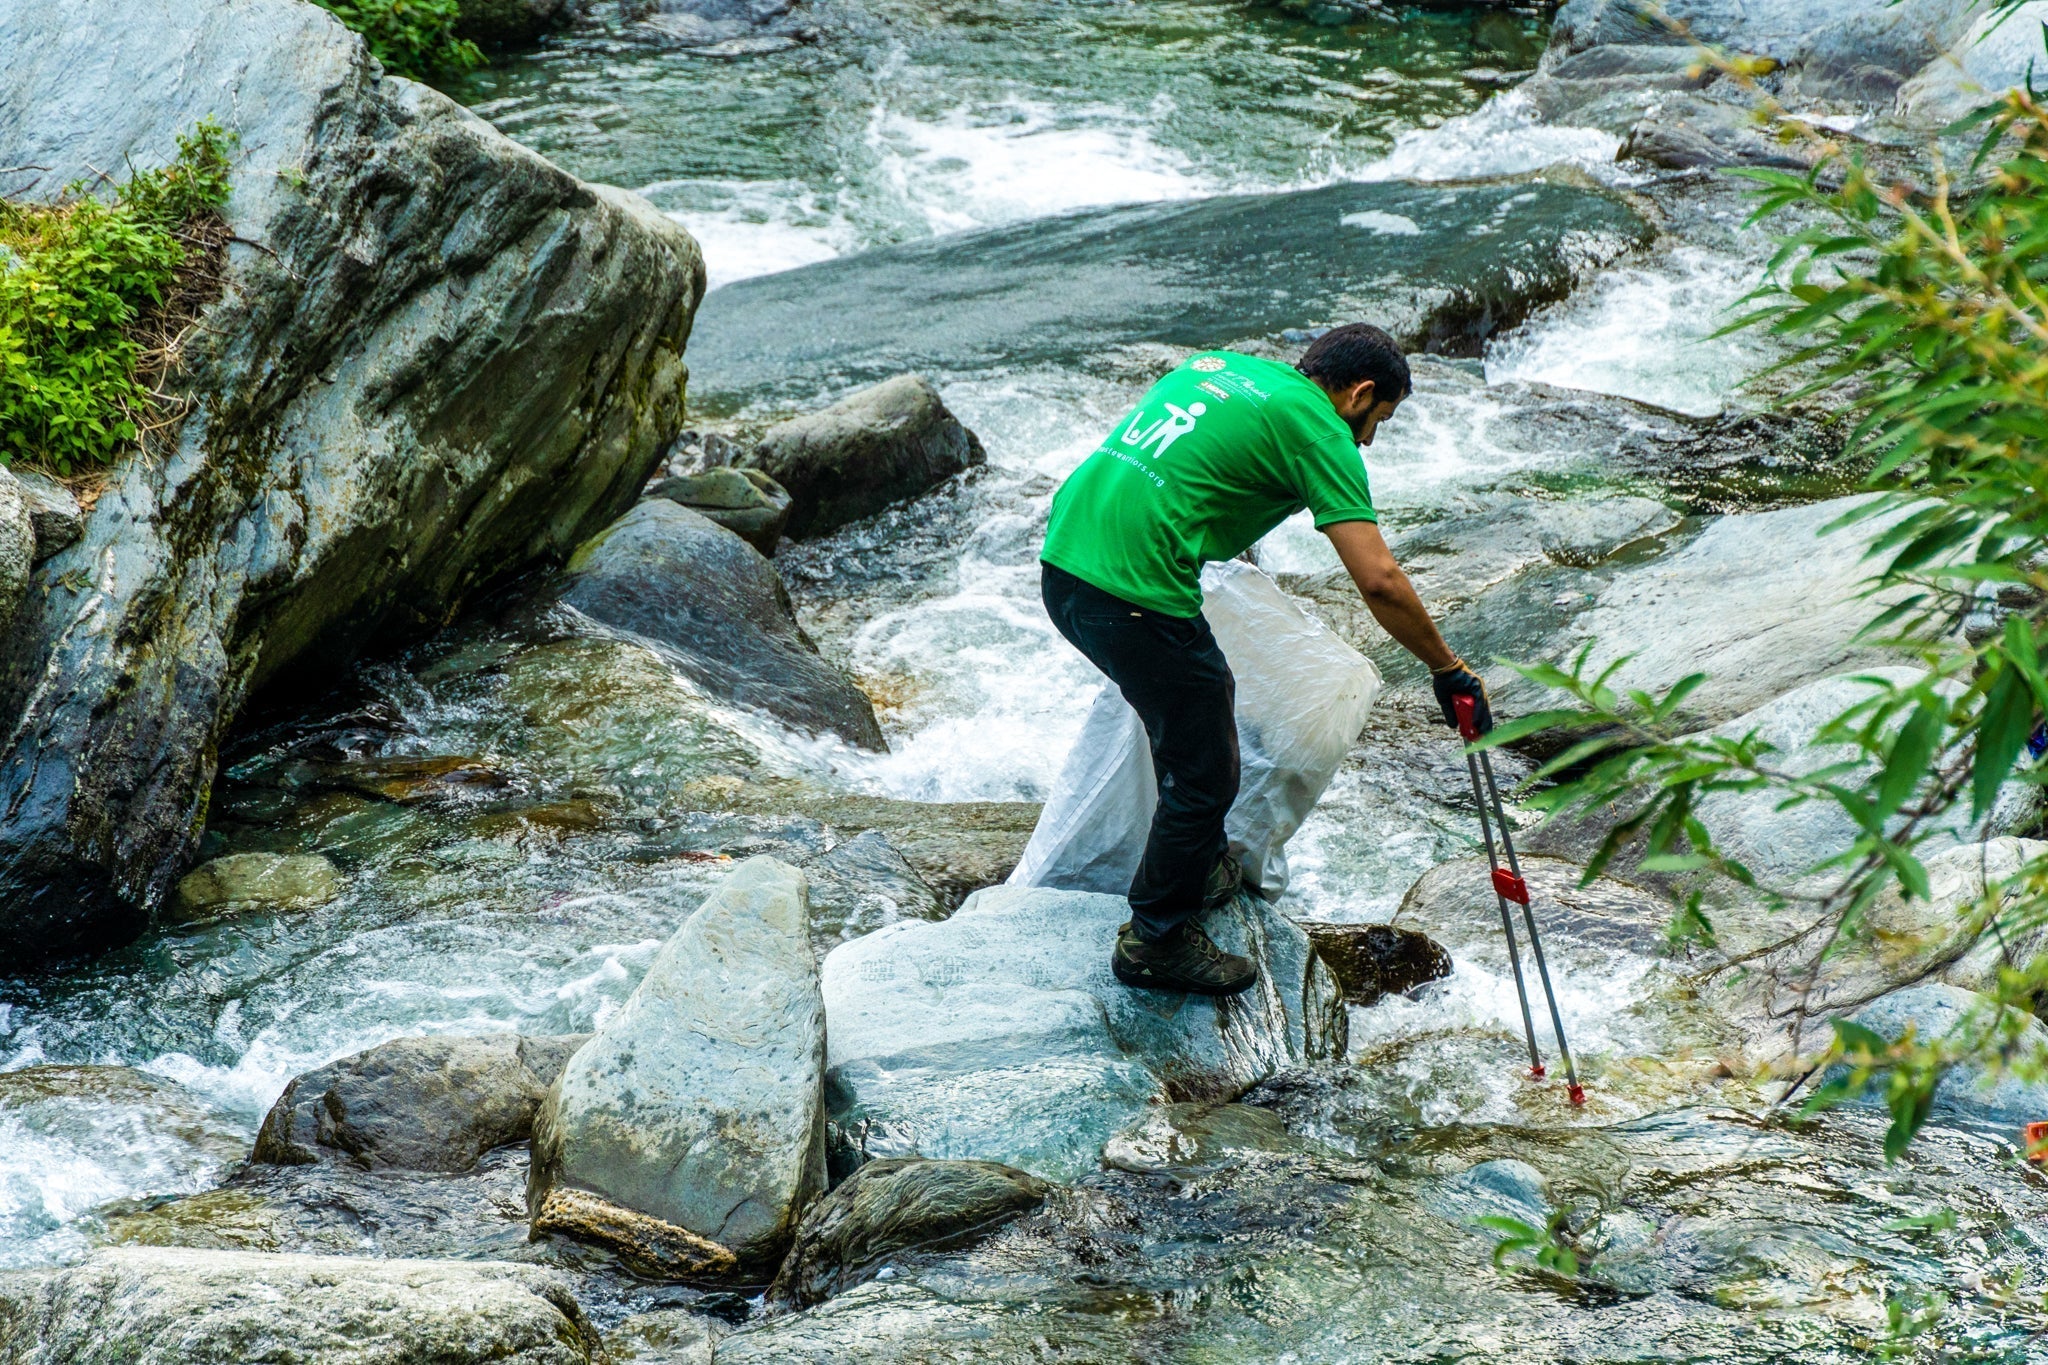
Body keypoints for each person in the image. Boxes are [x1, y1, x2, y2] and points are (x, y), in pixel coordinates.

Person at [1039, 323, 1493, 996]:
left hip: (1065, 563)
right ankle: (1155, 938)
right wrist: (1448, 668)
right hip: (1129, 591)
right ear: (1359, 393)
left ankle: (1196, 867)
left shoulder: (1218, 367)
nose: (1368, 439)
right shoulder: (1320, 429)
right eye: (1378, 421)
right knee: (1207, 770)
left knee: (1200, 702)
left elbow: (1196, 472)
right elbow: (1380, 580)